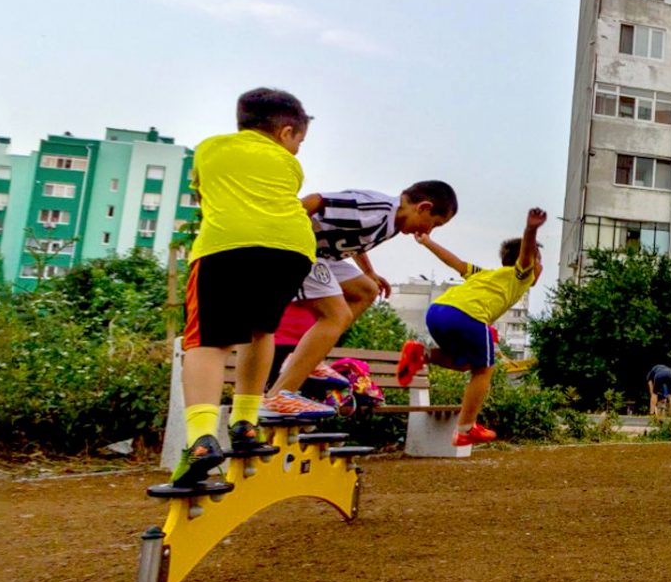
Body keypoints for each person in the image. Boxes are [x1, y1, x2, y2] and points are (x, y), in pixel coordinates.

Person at [170, 88, 321, 488]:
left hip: (227, 247)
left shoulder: (208, 150)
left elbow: (205, 199)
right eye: (299, 142)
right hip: (292, 249)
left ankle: (202, 438)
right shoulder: (288, 166)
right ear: (287, 132)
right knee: (261, 329)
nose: (298, 151)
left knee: (207, 343)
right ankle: (245, 424)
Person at [263, 182, 458, 412]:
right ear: (423, 207)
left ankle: (305, 357)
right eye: (434, 224)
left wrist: (369, 272)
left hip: (321, 255)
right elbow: (315, 201)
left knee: (366, 290)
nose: (428, 232)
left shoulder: (392, 224)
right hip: (297, 248)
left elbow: (353, 238)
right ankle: (280, 394)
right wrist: (276, 234)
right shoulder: (375, 209)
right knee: (336, 315)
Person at [398, 208, 546, 446]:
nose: (540, 267)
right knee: (484, 369)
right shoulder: (520, 275)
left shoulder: (484, 274)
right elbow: (527, 254)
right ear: (530, 260)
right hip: (468, 316)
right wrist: (531, 229)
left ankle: (421, 353)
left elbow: (455, 262)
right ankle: (466, 428)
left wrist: (427, 242)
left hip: (438, 312)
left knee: (465, 363)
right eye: (539, 260)